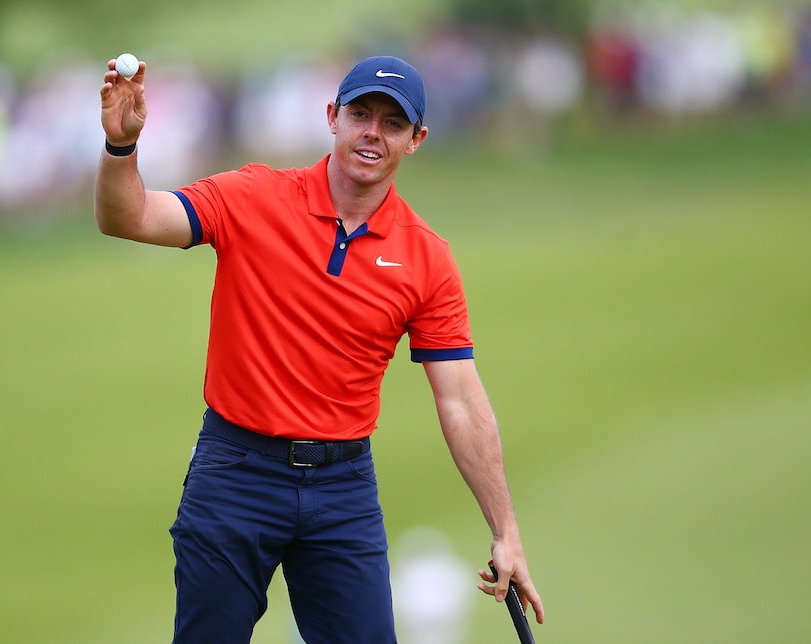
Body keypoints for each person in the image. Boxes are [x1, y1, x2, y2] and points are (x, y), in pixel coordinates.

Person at [95, 53, 544, 643]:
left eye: (392, 123)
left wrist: (505, 529)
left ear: (416, 140)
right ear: (332, 116)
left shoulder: (427, 257)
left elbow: (460, 399)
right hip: (236, 472)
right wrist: (121, 149)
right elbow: (128, 218)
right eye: (361, 114)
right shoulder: (252, 195)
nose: (372, 133)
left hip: (343, 488)